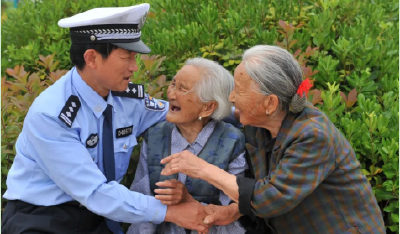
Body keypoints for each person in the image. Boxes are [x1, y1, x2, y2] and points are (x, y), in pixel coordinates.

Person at [2, 4, 208, 234]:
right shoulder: (52, 115)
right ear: (91, 58)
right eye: (126, 57)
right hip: (43, 218)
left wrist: (233, 110)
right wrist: (170, 212)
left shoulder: (127, 99)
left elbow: (177, 111)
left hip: (100, 215)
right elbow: (94, 192)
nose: (134, 66)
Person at [159, 45, 386, 234]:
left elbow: (269, 197)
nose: (232, 97)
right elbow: (222, 109)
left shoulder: (313, 135)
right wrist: (234, 210)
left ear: (270, 103)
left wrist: (202, 169)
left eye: (239, 90)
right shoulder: (260, 122)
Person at [127, 58, 247, 234]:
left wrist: (187, 201)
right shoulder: (155, 136)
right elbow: (140, 204)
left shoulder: (232, 141)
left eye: (183, 89)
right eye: (173, 84)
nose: (171, 94)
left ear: (207, 108)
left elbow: (230, 213)